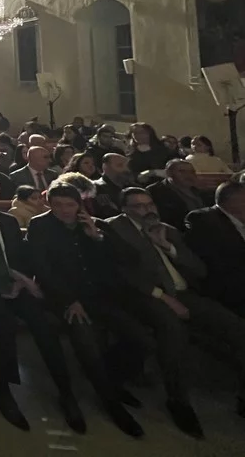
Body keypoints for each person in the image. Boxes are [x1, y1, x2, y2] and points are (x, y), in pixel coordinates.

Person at [105, 187, 245, 438]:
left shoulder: (166, 229)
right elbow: (123, 273)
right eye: (138, 206)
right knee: (172, 331)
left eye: (149, 204)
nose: (147, 210)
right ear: (124, 209)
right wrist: (166, 299)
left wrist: (168, 247)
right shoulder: (115, 228)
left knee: (233, 325)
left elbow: (199, 269)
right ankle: (178, 400)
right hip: (147, 295)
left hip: (183, 292)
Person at [0, 176, 85, 434]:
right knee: (4, 323)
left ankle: (65, 392)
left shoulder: (8, 221)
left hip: (15, 283)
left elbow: (22, 256)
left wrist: (21, 281)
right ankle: (3, 390)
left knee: (41, 323)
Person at [26, 177, 144, 437]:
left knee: (138, 338)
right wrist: (69, 300)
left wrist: (97, 237)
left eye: (69, 205)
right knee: (85, 340)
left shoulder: (93, 223)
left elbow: (129, 258)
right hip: (62, 297)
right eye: (58, 205)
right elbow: (42, 268)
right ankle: (109, 402)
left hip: (98, 296)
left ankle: (110, 380)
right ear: (50, 204)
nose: (64, 210)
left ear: (79, 204)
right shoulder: (41, 225)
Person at [184, 180, 245, 315]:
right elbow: (217, 264)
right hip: (230, 288)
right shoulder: (204, 219)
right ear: (234, 201)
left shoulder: (240, 220)